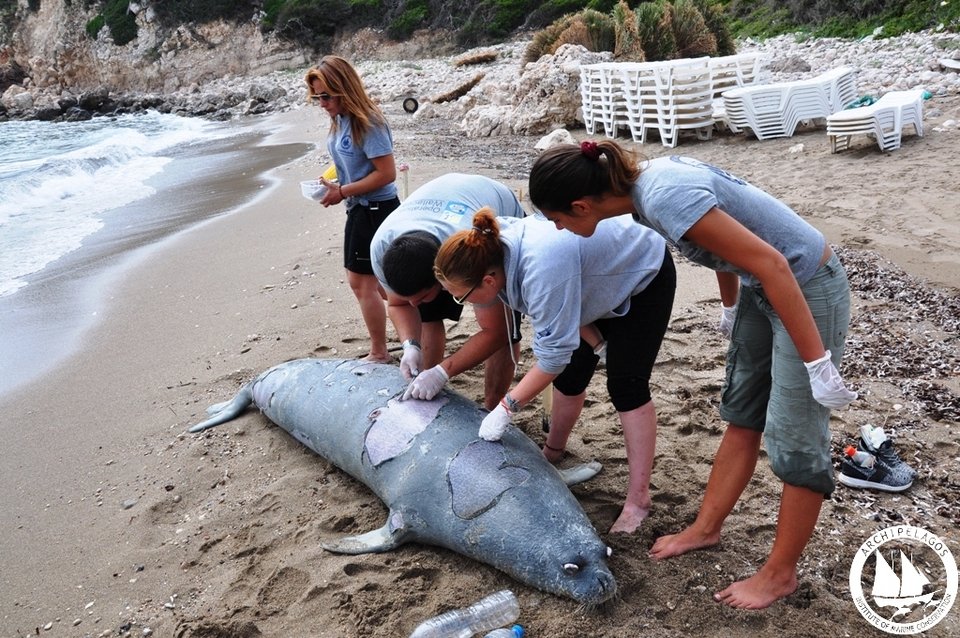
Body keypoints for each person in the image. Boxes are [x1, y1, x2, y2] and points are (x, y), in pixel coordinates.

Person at [527, 139, 857, 609]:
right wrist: (730, 305)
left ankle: (779, 574)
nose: (557, 229)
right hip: (762, 286)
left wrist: (815, 362)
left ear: (581, 205)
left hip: (804, 286)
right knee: (742, 412)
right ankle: (705, 528)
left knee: (797, 438)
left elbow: (773, 262)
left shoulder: (664, 197)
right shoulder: (642, 197)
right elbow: (723, 246)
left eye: (557, 218)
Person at [433, 208, 676, 534]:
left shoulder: (540, 271)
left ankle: (638, 501)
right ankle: (553, 452)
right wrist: (597, 342)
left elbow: (552, 356)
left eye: (460, 297)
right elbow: (567, 297)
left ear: (488, 281)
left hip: (640, 272)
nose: (460, 302)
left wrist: (507, 407)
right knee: (571, 375)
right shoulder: (487, 248)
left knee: (626, 386)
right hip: (589, 277)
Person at [370, 173, 526, 410]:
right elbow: (398, 304)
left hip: (488, 209)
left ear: (442, 280)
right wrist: (410, 345)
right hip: (434, 218)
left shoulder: (470, 254)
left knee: (505, 332)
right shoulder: (381, 248)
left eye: (421, 297)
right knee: (426, 313)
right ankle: (423, 384)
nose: (413, 305)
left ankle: (491, 406)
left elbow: (496, 332)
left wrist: (443, 372)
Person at [305, 56, 400, 363]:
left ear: (343, 89)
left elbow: (386, 173)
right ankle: (412, 335)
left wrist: (343, 191)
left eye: (326, 96)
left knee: (364, 283)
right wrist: (333, 181)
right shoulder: (342, 118)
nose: (322, 103)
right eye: (316, 97)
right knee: (381, 284)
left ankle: (380, 351)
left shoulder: (367, 121)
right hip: (360, 207)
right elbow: (353, 162)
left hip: (375, 209)